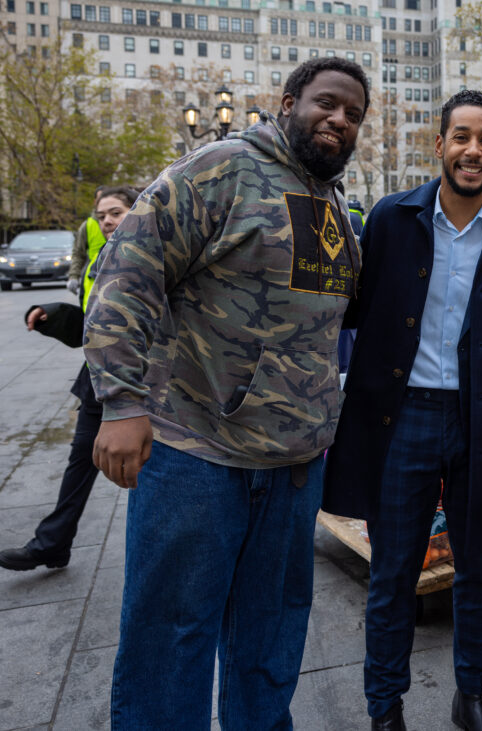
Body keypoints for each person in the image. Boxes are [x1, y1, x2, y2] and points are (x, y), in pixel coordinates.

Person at [82, 57, 368, 729]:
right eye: (327, 103)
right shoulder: (220, 168)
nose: (339, 119)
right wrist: (121, 403)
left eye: (353, 114)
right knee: (171, 633)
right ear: (289, 102)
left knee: (271, 634)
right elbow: (127, 273)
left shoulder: (333, 202)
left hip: (292, 466)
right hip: (197, 454)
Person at [321, 89, 482, 731]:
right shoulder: (392, 219)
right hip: (402, 421)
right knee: (393, 572)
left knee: (478, 570)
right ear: (441, 144)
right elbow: (350, 309)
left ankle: (471, 698)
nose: (473, 150)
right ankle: (385, 708)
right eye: (462, 137)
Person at [0, 187, 138, 572]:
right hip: (98, 376)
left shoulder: (156, 256)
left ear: (138, 211)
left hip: (143, 384)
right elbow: (96, 322)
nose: (106, 221)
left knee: (152, 474)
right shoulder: (101, 257)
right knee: (81, 460)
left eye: (115, 212)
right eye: (101, 215)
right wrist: (55, 313)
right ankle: (52, 544)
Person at [67, 186, 107, 295]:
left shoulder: (125, 221)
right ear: (95, 202)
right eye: (101, 198)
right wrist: (74, 276)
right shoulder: (87, 225)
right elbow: (78, 253)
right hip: (93, 279)